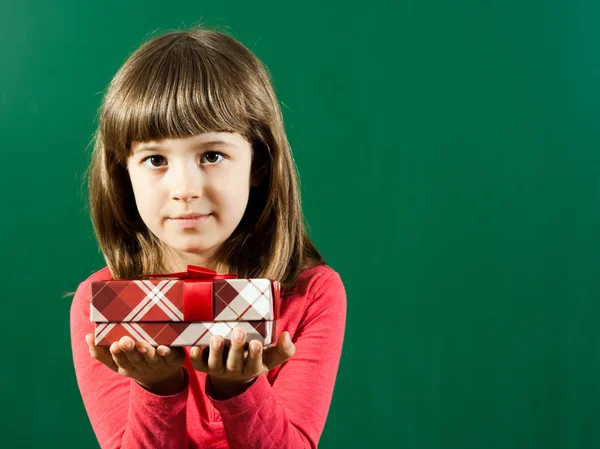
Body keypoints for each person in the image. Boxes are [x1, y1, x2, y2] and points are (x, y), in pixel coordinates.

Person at [69, 27, 347, 449]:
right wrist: (158, 388)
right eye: (156, 159)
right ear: (123, 172)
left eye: (212, 156)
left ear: (258, 163)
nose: (185, 188)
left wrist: (238, 390)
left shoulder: (311, 293)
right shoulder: (102, 303)